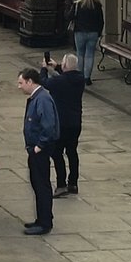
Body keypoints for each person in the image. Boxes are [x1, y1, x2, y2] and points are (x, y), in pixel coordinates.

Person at [18, 67, 60, 235]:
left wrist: (39, 146)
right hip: (34, 149)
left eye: (21, 83)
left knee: (42, 185)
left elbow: (48, 126)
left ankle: (44, 223)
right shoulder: (38, 97)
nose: (19, 86)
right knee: (37, 183)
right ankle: (41, 218)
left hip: (39, 150)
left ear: (30, 81)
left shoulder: (42, 99)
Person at [41, 53, 85, 196]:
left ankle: (61, 184)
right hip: (76, 122)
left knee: (57, 152)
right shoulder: (80, 79)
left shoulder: (58, 82)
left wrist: (44, 69)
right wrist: (58, 66)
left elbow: (44, 82)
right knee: (72, 151)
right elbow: (69, 75)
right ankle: (73, 183)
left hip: (61, 123)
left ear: (65, 66)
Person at [71, 0, 105, 85]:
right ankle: (87, 78)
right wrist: (99, 33)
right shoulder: (97, 6)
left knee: (80, 54)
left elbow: (68, 16)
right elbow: (101, 21)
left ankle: (79, 76)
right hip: (93, 33)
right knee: (90, 55)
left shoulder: (78, 5)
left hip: (80, 32)